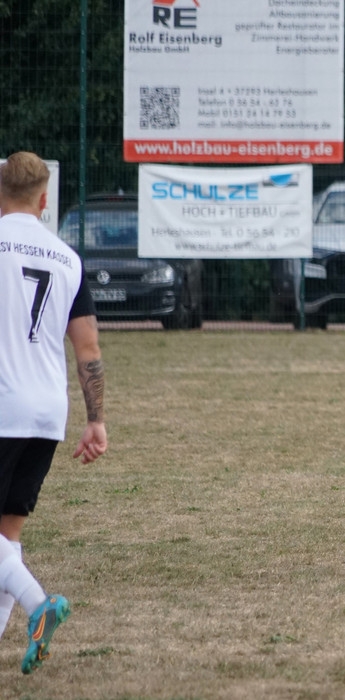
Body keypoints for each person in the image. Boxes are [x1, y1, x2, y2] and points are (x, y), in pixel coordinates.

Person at [0, 152, 107, 673]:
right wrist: (96, 420)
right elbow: (88, 349)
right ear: (45, 200)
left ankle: (38, 603)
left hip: (2, 406)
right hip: (47, 414)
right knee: (6, 538)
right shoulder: (68, 259)